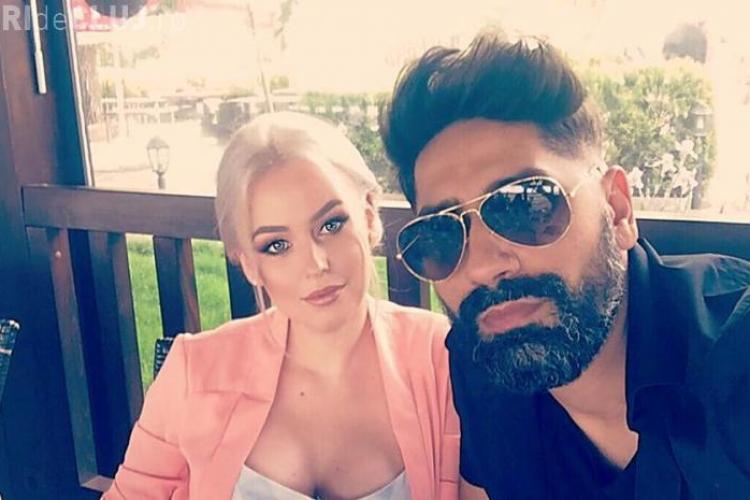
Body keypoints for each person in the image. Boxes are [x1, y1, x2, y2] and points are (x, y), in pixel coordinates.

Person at [380, 33, 750, 499]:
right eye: (440, 234)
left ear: (617, 210)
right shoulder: (480, 361)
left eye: (526, 205)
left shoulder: (735, 356)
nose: (482, 267)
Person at [104, 112, 459, 500]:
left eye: (331, 225)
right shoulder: (195, 371)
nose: (315, 265)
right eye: (277, 245)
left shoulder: (441, 355)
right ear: (248, 263)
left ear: (370, 218)